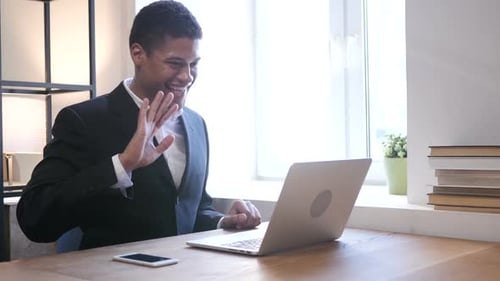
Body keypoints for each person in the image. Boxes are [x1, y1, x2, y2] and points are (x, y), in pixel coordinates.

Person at [16, 0, 261, 250]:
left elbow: (190, 209)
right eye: (175, 63)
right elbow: (33, 218)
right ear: (138, 54)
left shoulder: (197, 124)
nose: (187, 76)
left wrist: (223, 222)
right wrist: (123, 164)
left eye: (194, 64)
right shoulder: (83, 121)